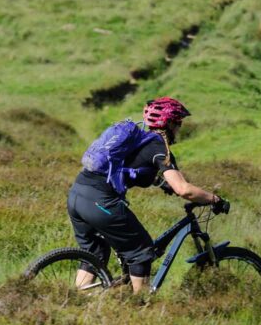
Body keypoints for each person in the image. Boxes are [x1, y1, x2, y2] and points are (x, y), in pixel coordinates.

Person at [67, 97, 226, 294]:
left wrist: (160, 183)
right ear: (169, 123)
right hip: (99, 201)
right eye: (179, 123)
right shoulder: (159, 147)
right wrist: (215, 199)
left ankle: (79, 300)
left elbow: (132, 170)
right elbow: (184, 189)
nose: (180, 129)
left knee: (96, 252)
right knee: (142, 251)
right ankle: (140, 307)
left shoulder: (138, 140)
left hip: (77, 194)